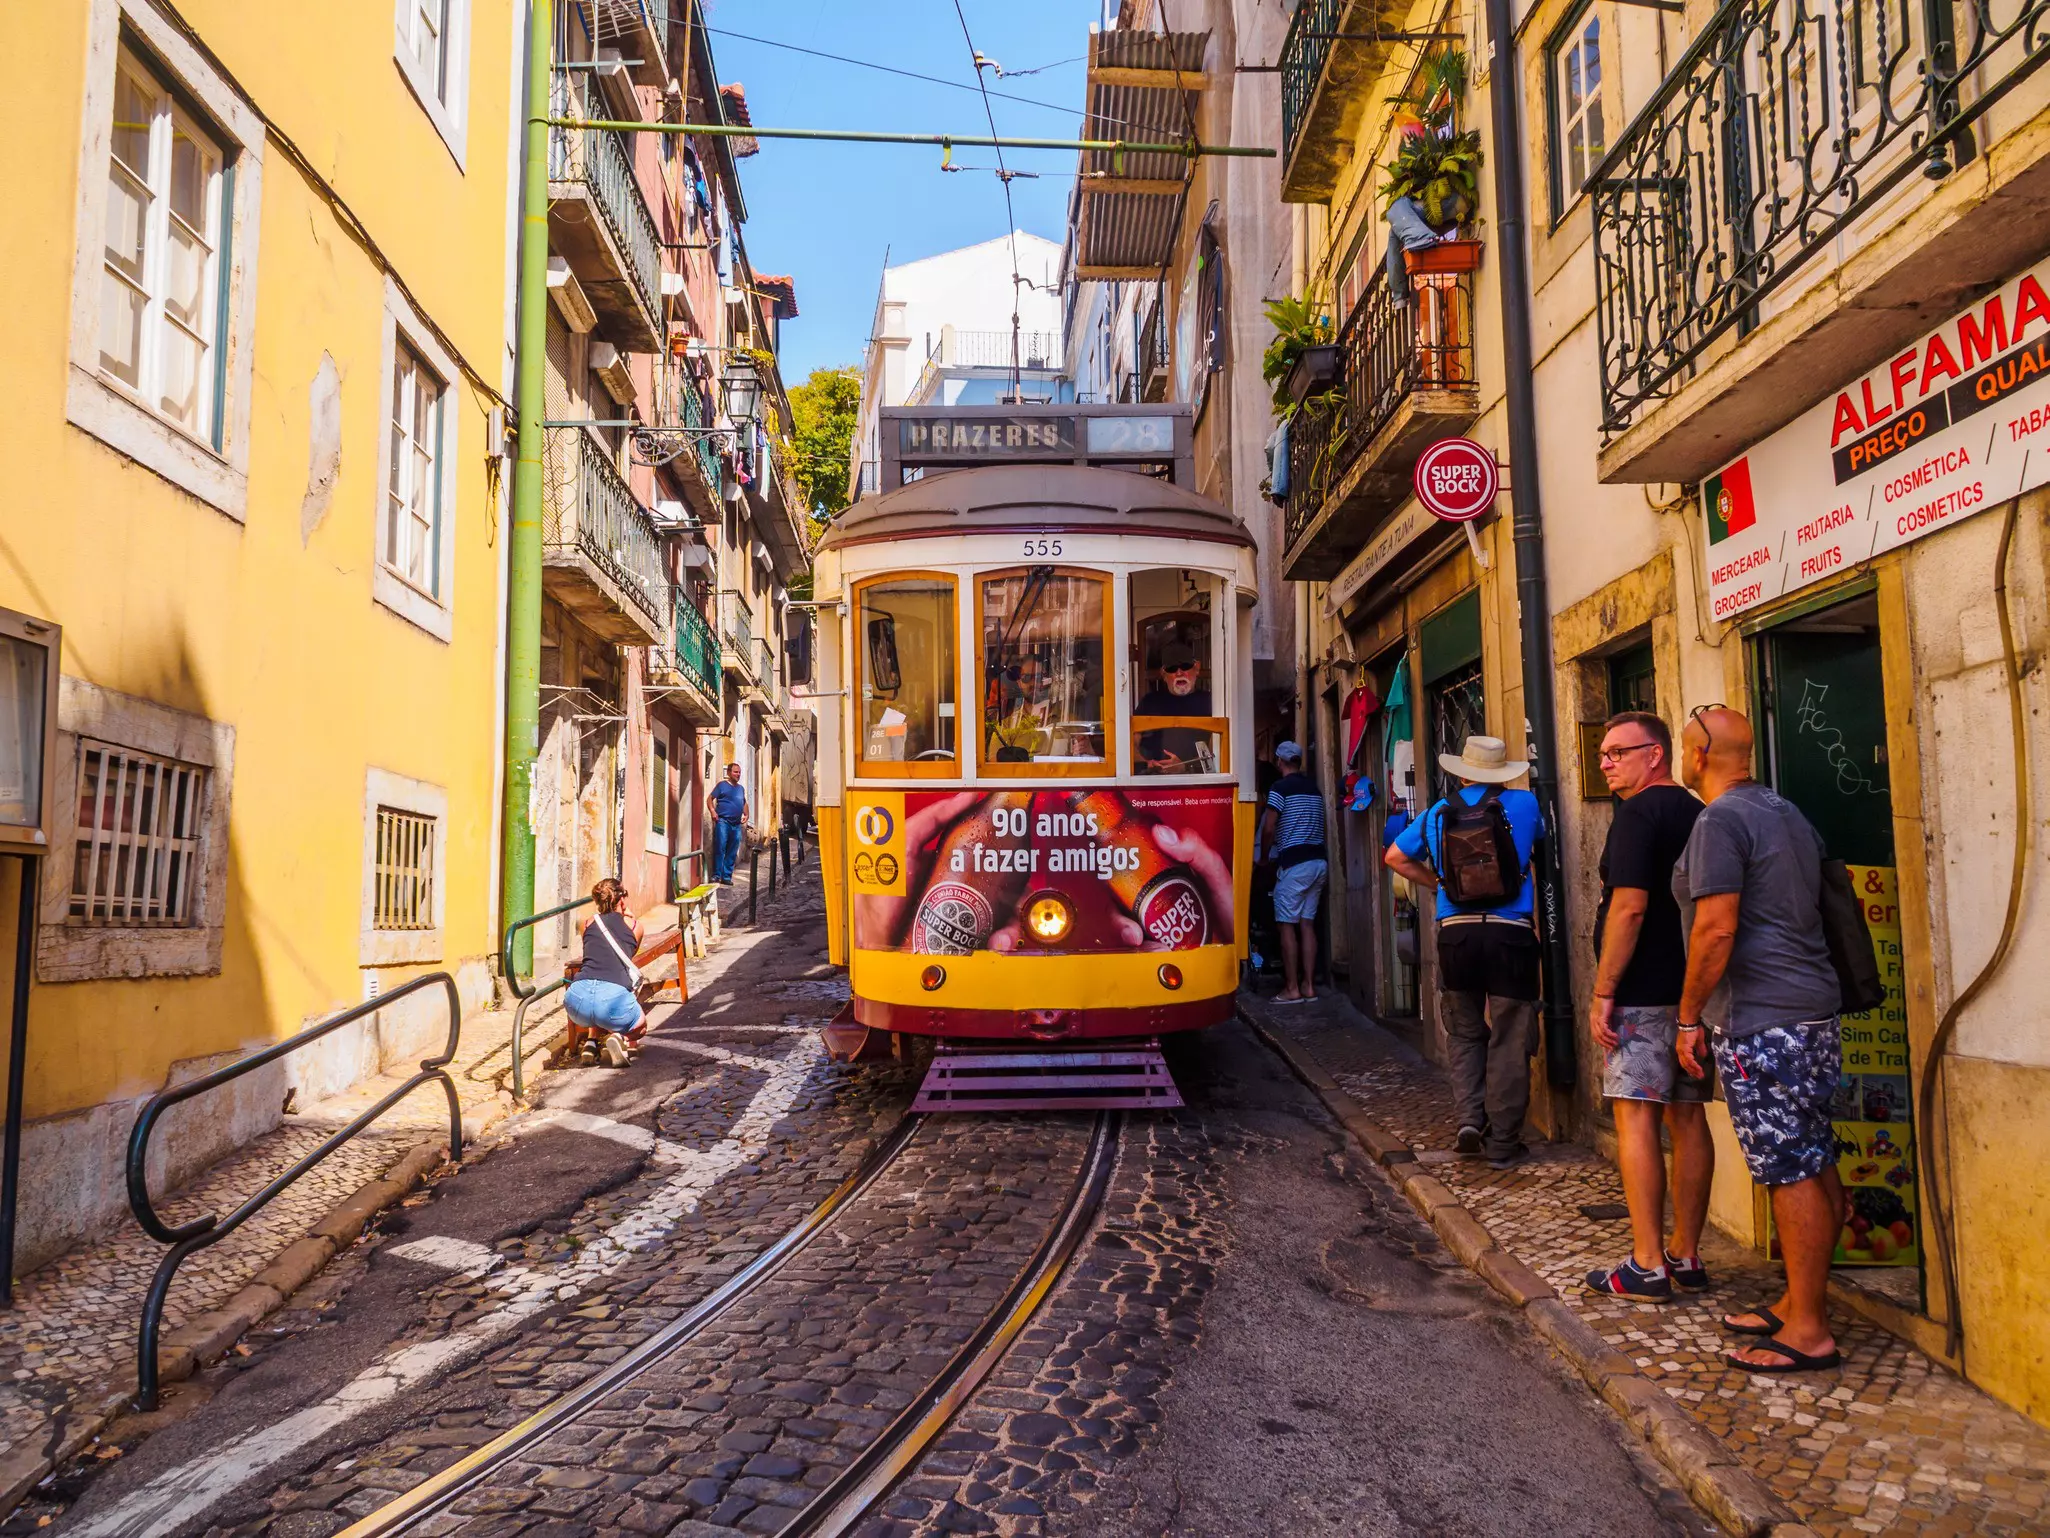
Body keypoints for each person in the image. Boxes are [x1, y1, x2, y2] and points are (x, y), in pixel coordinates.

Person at [1672, 707, 1845, 1374]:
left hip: (1764, 1018)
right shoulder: (1784, 811)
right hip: (1810, 1010)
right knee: (1814, 1154)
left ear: (1698, 754)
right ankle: (1800, 1300)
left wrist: (1689, 1018)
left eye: (1687, 748)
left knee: (1788, 1167)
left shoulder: (1719, 821)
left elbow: (1715, 928)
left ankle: (1808, 1330)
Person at [1583, 711, 1714, 1302]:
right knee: (1688, 1118)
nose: (1606, 762)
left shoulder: (1639, 814)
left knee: (1635, 1114)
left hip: (1640, 993)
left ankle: (1646, 1264)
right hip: (1692, 993)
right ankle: (1686, 1254)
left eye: (1618, 752)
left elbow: (1629, 908)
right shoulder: (1697, 811)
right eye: (1604, 753)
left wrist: (1604, 990)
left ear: (1654, 754)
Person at [1384, 734, 1546, 1169]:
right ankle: (1504, 1141)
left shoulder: (1439, 812)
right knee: (1511, 1037)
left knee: (1465, 1032)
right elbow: (1541, 847)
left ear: (1460, 771)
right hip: (1511, 936)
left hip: (1456, 936)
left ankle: (1470, 1122)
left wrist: (1438, 883)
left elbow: (1394, 856)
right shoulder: (1526, 806)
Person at [1259, 742, 1327, 1002]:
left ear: (1279, 762)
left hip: (1295, 865)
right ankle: (1309, 987)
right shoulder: (1314, 789)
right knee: (1307, 924)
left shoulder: (1279, 789)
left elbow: (1268, 827)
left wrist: (1264, 857)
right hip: (1318, 863)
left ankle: (1292, 988)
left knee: (1286, 924)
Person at [565, 878, 645, 1068]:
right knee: (640, 1025)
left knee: (597, 990)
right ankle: (620, 1036)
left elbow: (597, 954)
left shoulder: (586, 924)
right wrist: (631, 918)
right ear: (622, 900)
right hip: (611, 998)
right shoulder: (635, 927)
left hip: (576, 1000)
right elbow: (626, 956)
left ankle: (591, 1042)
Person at [1135, 642, 1213, 773]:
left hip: (1197, 783)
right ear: (1163, 674)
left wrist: (1185, 767)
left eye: (1185, 666)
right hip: (1151, 781)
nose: (1179, 673)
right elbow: (1131, 743)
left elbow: (1218, 752)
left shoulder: (1212, 702)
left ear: (1197, 668)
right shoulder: (1149, 702)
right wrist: (1146, 763)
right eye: (1172, 668)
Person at [987, 655, 1057, 762]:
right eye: (1026, 678)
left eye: (1039, 677)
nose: (1034, 683)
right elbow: (995, 767)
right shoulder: (1005, 727)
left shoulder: (1068, 721)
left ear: (1049, 680)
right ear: (1019, 683)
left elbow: (1086, 759)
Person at [708, 762, 747, 884]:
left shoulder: (741, 789)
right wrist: (713, 811)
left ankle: (726, 877)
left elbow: (744, 803)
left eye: (739, 772)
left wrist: (747, 815)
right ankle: (716, 875)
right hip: (723, 822)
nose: (738, 774)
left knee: (732, 850)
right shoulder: (722, 786)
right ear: (729, 773)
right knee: (720, 848)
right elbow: (709, 799)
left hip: (736, 824)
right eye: (736, 772)